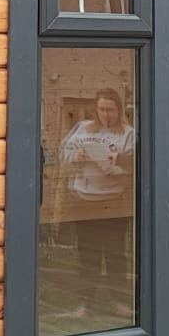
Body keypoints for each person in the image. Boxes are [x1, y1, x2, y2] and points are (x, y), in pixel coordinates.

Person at [58, 88, 137, 320]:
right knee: (87, 255)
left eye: (110, 110)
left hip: (113, 201)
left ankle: (119, 302)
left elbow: (137, 164)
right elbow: (64, 155)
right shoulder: (83, 128)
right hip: (84, 199)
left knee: (115, 255)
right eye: (102, 109)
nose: (106, 115)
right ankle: (85, 304)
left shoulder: (128, 134)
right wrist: (77, 157)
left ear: (119, 110)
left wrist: (117, 160)